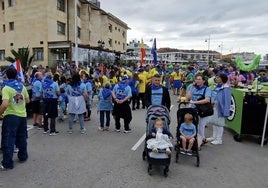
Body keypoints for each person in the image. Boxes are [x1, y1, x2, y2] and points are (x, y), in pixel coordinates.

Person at [0, 68, 30, 170]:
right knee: (22, 137)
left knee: (8, 139)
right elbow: (28, 100)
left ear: (7, 76)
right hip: (22, 116)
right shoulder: (22, 87)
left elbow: (4, 104)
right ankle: (23, 156)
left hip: (11, 116)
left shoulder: (6, 88)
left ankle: (7, 163)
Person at [186, 73, 212, 145]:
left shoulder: (207, 89)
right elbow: (188, 98)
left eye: (199, 79)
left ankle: (200, 141)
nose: (198, 81)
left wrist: (195, 102)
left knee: (201, 126)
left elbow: (207, 100)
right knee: (193, 125)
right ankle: (199, 139)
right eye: (196, 79)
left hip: (203, 110)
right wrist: (192, 88)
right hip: (193, 109)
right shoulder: (193, 88)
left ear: (203, 81)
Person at [207, 73, 231, 145]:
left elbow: (227, 100)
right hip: (214, 106)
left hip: (221, 108)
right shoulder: (216, 86)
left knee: (220, 124)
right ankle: (214, 137)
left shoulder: (226, 88)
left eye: (218, 78)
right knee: (214, 122)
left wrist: (225, 110)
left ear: (221, 79)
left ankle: (219, 139)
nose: (216, 79)